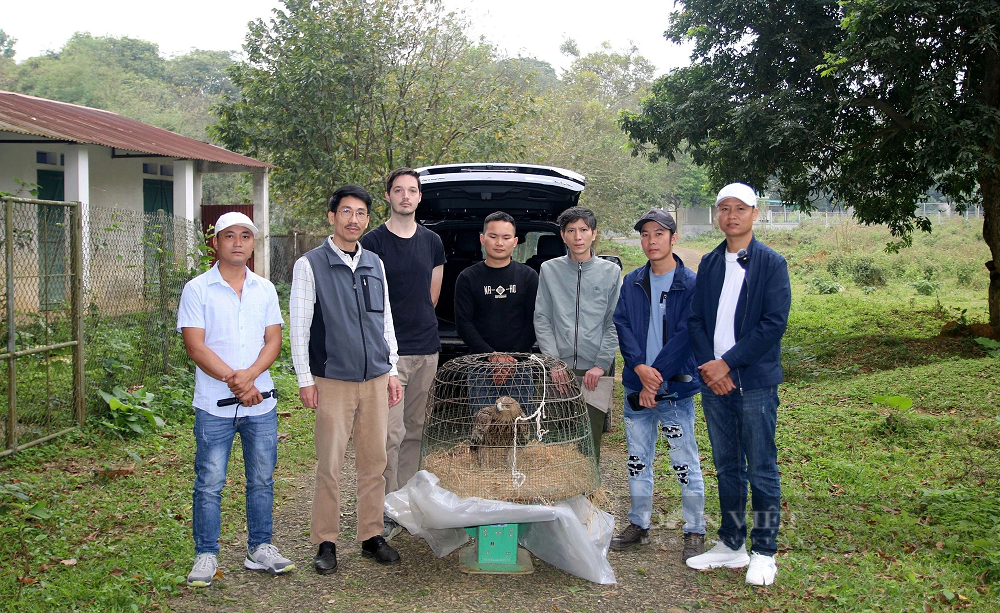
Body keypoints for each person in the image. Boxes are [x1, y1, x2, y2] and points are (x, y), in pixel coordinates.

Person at [290, 185, 404, 574]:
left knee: (375, 461)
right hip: (332, 379)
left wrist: (392, 369)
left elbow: (385, 319)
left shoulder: (375, 262)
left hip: (375, 377)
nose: (353, 220)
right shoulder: (310, 265)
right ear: (331, 216)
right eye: (346, 212)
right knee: (330, 464)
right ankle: (326, 541)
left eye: (360, 214)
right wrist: (306, 379)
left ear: (367, 219)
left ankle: (371, 535)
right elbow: (300, 329)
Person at [177, 211, 294, 587]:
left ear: (253, 243)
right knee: (210, 481)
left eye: (246, 236)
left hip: (262, 405)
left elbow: (273, 340)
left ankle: (260, 548)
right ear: (216, 242)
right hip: (213, 405)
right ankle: (206, 554)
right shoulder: (197, 289)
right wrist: (237, 381)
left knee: (261, 479)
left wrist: (249, 379)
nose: (238, 242)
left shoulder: (265, 289)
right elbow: (196, 346)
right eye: (230, 236)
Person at [684, 183, 791, 587]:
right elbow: (695, 320)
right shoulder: (711, 263)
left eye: (740, 208)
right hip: (714, 384)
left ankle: (764, 551)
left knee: (761, 469)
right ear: (716, 215)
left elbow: (772, 325)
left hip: (754, 383)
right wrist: (709, 369)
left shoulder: (771, 263)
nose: (731, 215)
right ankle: (731, 543)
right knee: (728, 467)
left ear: (754, 214)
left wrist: (727, 364)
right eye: (723, 208)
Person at [610, 209, 706, 561]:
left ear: (673, 238)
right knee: (638, 459)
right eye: (646, 235)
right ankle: (638, 524)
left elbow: (687, 336)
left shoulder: (691, 284)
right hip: (638, 386)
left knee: (684, 461)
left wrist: (657, 376)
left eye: (659, 234)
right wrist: (639, 367)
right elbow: (623, 326)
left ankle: (694, 530)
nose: (651, 241)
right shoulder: (633, 281)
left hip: (675, 389)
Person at [360, 168, 446, 540]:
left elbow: (432, 297)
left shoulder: (432, 241)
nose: (406, 196)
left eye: (412, 191)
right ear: (388, 196)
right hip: (388, 356)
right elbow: (367, 302)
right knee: (389, 434)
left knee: (416, 431)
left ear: (420, 197)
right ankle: (387, 507)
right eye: (399, 190)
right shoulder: (373, 242)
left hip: (426, 349)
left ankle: (410, 502)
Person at [533, 206, 621, 464]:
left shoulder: (610, 272)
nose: (578, 236)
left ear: (594, 234)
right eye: (571, 230)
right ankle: (553, 502)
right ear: (563, 235)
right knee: (551, 444)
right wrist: (553, 362)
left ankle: (587, 500)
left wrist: (600, 364)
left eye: (584, 230)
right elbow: (543, 317)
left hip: (593, 372)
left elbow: (614, 321)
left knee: (588, 445)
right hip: (556, 371)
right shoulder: (549, 270)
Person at [454, 211, 539, 409]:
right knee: (484, 427)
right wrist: (492, 356)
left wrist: (511, 359)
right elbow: (464, 323)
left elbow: (534, 320)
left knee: (519, 426)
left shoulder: (529, 276)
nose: (499, 242)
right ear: (482, 239)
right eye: (493, 236)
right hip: (481, 365)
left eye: (506, 237)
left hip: (519, 365)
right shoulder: (467, 278)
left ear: (515, 241)